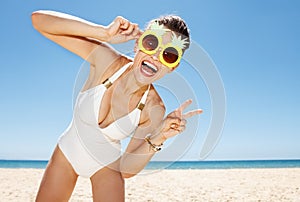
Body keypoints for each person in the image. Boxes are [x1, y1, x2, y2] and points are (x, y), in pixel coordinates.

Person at [31, 10, 202, 201]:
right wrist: (103, 33)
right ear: (138, 44)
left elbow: (127, 169)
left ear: (173, 66)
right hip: (66, 154)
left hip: (107, 168)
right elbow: (39, 21)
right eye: (151, 43)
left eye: (169, 55)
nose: (155, 56)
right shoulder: (106, 61)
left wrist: (160, 136)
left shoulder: (154, 108)